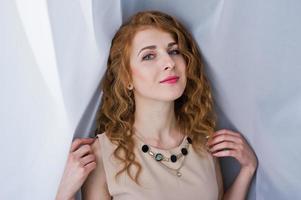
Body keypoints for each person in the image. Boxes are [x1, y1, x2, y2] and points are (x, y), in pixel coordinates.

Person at [56, 10, 257, 200]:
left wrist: (248, 169)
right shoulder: (103, 153)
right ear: (127, 78)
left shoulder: (202, 142)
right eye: (149, 56)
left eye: (174, 51)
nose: (169, 62)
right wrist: (64, 194)